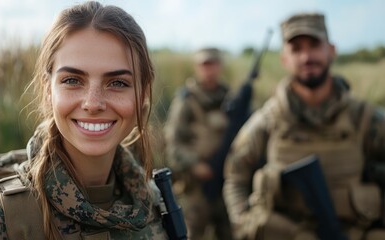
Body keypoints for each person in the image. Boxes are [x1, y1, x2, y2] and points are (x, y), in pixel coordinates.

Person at [0, 1, 169, 239]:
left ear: (144, 93)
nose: (93, 103)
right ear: (48, 89)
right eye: (72, 80)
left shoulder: (157, 205)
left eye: (118, 83)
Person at [223, 12, 385, 240]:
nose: (306, 56)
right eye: (296, 48)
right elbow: (234, 176)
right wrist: (245, 224)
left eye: (314, 45)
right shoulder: (268, 120)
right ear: (284, 59)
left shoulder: (365, 119)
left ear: (331, 50)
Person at [164, 47, 233, 240]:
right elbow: (173, 142)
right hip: (197, 186)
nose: (209, 70)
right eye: (204, 65)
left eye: (213, 64)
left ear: (220, 66)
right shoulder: (187, 99)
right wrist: (195, 164)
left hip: (226, 180)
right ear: (197, 67)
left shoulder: (229, 98)